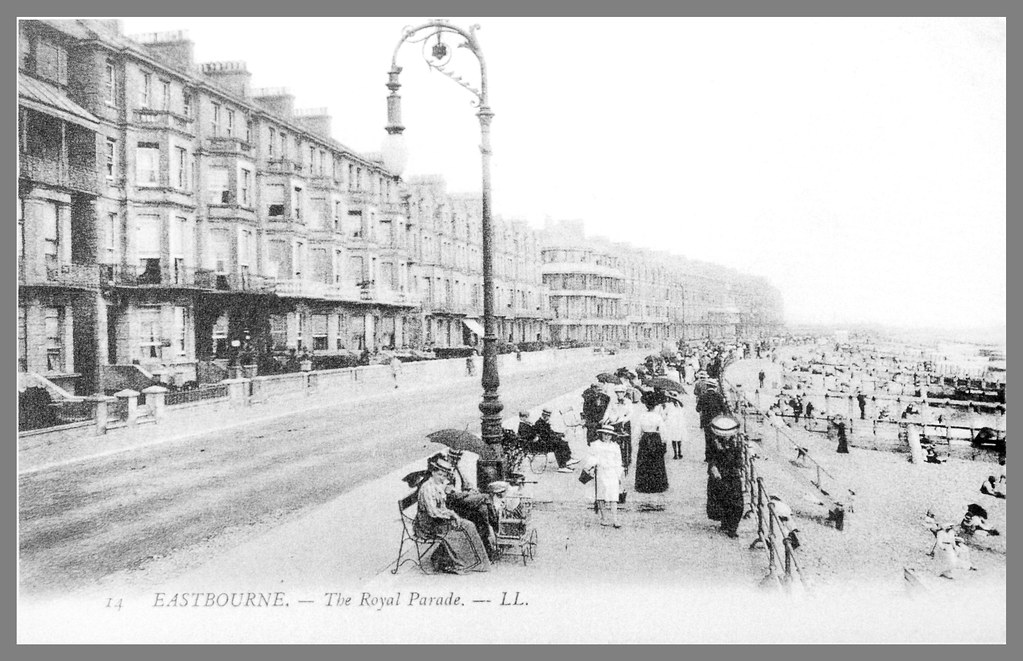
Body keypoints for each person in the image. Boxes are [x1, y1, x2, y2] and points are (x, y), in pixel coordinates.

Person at [413, 458, 492, 574]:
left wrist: (451, 512)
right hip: (428, 525)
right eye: (439, 474)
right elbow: (433, 512)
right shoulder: (427, 488)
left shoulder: (437, 485)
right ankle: (466, 563)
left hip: (438, 520)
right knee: (465, 527)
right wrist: (452, 515)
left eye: (444, 476)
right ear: (433, 472)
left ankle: (476, 562)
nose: (442, 478)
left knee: (469, 525)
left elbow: (441, 507)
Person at [706, 415, 744, 538]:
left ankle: (732, 527)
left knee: (736, 502)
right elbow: (710, 458)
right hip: (720, 475)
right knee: (722, 499)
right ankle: (725, 521)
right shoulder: (714, 443)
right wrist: (713, 468)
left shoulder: (735, 444)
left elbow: (739, 461)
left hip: (732, 475)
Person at [581, 426, 625, 528]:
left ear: (612, 436)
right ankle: (604, 517)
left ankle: (615, 519)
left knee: (614, 496)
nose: (606, 436)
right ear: (601, 434)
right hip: (601, 472)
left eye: (608, 435)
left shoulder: (615, 446)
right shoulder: (596, 445)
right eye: (604, 434)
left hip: (612, 472)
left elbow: (618, 461)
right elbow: (592, 458)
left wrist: (619, 475)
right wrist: (588, 467)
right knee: (601, 495)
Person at [633, 390, 669, 493]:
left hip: (645, 438)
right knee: (656, 462)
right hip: (655, 438)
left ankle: (643, 485)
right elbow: (663, 431)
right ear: (655, 406)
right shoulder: (658, 416)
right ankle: (657, 485)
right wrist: (664, 442)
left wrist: (636, 442)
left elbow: (637, 431)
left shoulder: (642, 416)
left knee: (644, 462)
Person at [601, 385, 634, 468]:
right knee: (615, 440)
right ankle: (616, 458)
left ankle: (627, 459)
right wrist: (604, 420)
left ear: (624, 393)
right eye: (618, 393)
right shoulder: (613, 401)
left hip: (624, 423)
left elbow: (631, 413)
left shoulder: (628, 402)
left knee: (627, 441)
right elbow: (608, 411)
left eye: (621, 393)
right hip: (615, 423)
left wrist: (624, 420)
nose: (619, 394)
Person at [696, 381, 727, 463]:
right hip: (717, 421)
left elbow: (697, 409)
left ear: (707, 387)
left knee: (708, 439)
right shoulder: (719, 396)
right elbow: (724, 409)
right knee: (717, 437)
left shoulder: (703, 396)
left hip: (706, 421)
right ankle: (717, 456)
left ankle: (708, 457)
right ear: (715, 387)